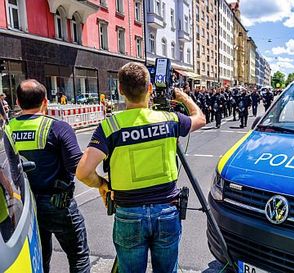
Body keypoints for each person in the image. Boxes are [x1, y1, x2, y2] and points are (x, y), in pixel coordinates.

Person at [75, 62, 206, 273]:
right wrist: (183, 97)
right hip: (166, 211)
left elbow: (82, 172)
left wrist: (102, 184)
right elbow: (200, 118)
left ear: (120, 90)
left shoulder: (110, 126)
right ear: (150, 89)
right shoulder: (169, 119)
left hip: (128, 214)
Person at [3, 79, 90, 273]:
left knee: (39, 259)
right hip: (58, 203)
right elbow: (77, 166)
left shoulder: (8, 130)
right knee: (79, 257)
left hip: (24, 206)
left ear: (17, 102)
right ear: (45, 101)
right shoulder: (58, 127)